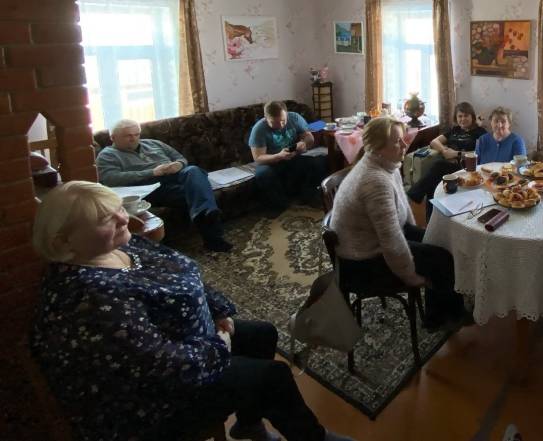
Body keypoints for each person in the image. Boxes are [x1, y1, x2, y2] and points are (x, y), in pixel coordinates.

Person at [29, 181, 354, 441]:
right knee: (273, 376)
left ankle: (249, 422)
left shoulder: (120, 244)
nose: (123, 219)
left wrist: (217, 310)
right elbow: (164, 365)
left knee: (263, 334)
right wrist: (218, 344)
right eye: (105, 219)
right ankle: (314, 438)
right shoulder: (89, 297)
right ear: (63, 242)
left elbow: (180, 269)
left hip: (192, 342)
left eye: (118, 209)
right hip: (156, 400)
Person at [330, 117, 466, 330]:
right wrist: (410, 276)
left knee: (442, 243)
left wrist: (419, 234)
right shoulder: (374, 180)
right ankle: (441, 317)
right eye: (397, 141)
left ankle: (442, 310)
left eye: (403, 139)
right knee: (442, 260)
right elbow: (391, 242)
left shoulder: (385, 164)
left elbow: (402, 209)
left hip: (377, 239)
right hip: (363, 259)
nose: (405, 144)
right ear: (378, 147)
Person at [96, 119, 232, 252]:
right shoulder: (107, 155)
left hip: (174, 176)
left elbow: (180, 158)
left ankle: (205, 213)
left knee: (193, 170)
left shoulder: (153, 143)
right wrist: (152, 172)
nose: (134, 139)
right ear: (113, 137)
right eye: (128, 136)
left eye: (136, 134)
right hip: (150, 187)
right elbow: (110, 179)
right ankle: (212, 234)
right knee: (199, 193)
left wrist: (179, 164)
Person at [406, 102, 487, 220]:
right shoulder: (454, 130)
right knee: (432, 186)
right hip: (448, 166)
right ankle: (431, 222)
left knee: (438, 166)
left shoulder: (480, 132)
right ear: (456, 117)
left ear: (472, 117)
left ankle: (413, 195)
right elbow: (434, 142)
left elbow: (480, 153)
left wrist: (457, 154)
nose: (463, 119)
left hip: (465, 168)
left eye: (466, 116)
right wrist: (444, 150)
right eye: (460, 116)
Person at [249, 101, 328, 217]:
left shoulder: (294, 118)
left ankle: (309, 196)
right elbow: (258, 158)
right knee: (263, 174)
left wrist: (303, 143)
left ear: (286, 114)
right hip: (271, 162)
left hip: (293, 157)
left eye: (283, 121)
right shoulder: (259, 129)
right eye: (274, 123)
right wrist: (278, 156)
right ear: (266, 118)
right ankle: (279, 205)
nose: (280, 125)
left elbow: (309, 138)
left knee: (320, 161)